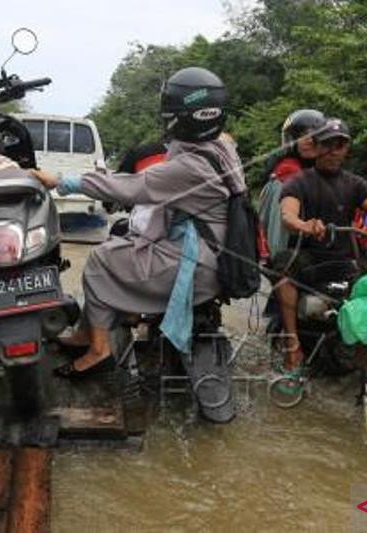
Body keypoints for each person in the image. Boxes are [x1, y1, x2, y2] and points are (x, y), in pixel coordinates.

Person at [31, 66, 246, 381]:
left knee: (100, 260)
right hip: (211, 251)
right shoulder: (221, 147)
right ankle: (85, 332)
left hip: (198, 264)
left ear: (178, 117)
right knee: (121, 247)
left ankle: (98, 350)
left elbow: (127, 187)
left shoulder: (189, 167)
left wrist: (60, 181)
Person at [273, 118, 367, 388]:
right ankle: (293, 345)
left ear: (346, 149)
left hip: (344, 261)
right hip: (308, 258)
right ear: (316, 147)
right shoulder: (299, 182)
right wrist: (305, 225)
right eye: (327, 144)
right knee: (282, 272)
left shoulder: (355, 184)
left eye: (339, 144)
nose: (333, 150)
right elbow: (287, 215)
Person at [257, 109, 326, 259]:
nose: (309, 140)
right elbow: (276, 233)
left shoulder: (322, 173)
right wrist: (281, 265)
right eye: (303, 135)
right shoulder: (287, 174)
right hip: (291, 259)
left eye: (315, 134)